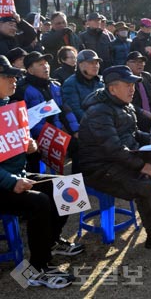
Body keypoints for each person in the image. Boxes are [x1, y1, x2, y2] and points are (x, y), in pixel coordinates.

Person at [78, 65, 151, 250]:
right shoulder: (99, 111)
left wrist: (150, 138)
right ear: (112, 88)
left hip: (119, 161)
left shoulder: (123, 105)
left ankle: (142, 182)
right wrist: (141, 166)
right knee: (147, 188)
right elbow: (113, 149)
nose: (132, 89)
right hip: (99, 169)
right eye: (127, 85)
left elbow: (132, 133)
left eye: (133, 84)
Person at [0, 56, 82, 288]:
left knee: (69, 186)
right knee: (40, 202)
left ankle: (51, 241)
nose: (14, 80)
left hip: (16, 177)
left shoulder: (9, 107)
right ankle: (37, 268)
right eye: (7, 76)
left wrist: (27, 146)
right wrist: (10, 181)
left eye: (14, 75)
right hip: (4, 183)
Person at [13, 52, 80, 173]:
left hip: (57, 133)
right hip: (35, 138)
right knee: (34, 167)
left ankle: (77, 184)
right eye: (40, 64)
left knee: (78, 146)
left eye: (46, 63)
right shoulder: (21, 90)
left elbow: (65, 109)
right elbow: (19, 120)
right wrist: (31, 140)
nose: (46, 67)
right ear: (30, 70)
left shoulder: (55, 85)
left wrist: (75, 130)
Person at [61, 49, 104, 124]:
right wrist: (97, 122)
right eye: (91, 63)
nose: (95, 66)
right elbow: (75, 110)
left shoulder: (101, 81)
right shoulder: (70, 84)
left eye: (97, 63)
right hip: (86, 126)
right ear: (80, 64)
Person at [125, 51, 151, 133]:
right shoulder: (125, 79)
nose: (139, 64)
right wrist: (142, 112)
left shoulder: (147, 76)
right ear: (127, 64)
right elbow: (125, 102)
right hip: (134, 118)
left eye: (141, 62)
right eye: (135, 62)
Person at [130, 18, 151, 85]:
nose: (149, 29)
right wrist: (144, 50)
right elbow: (133, 55)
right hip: (142, 68)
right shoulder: (136, 40)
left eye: (150, 27)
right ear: (141, 27)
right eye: (147, 27)